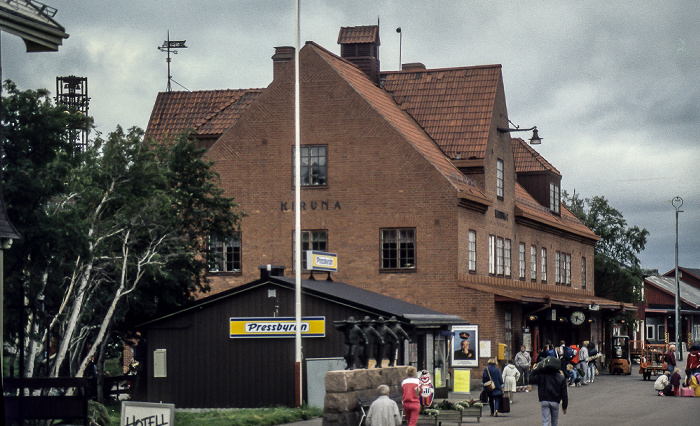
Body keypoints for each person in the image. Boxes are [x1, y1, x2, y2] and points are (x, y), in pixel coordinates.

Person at [530, 356, 568, 426]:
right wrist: (564, 406)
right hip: (555, 400)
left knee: (545, 422)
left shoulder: (541, 375)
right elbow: (564, 393)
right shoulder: (561, 377)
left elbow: (530, 380)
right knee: (554, 422)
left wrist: (534, 369)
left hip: (544, 399)